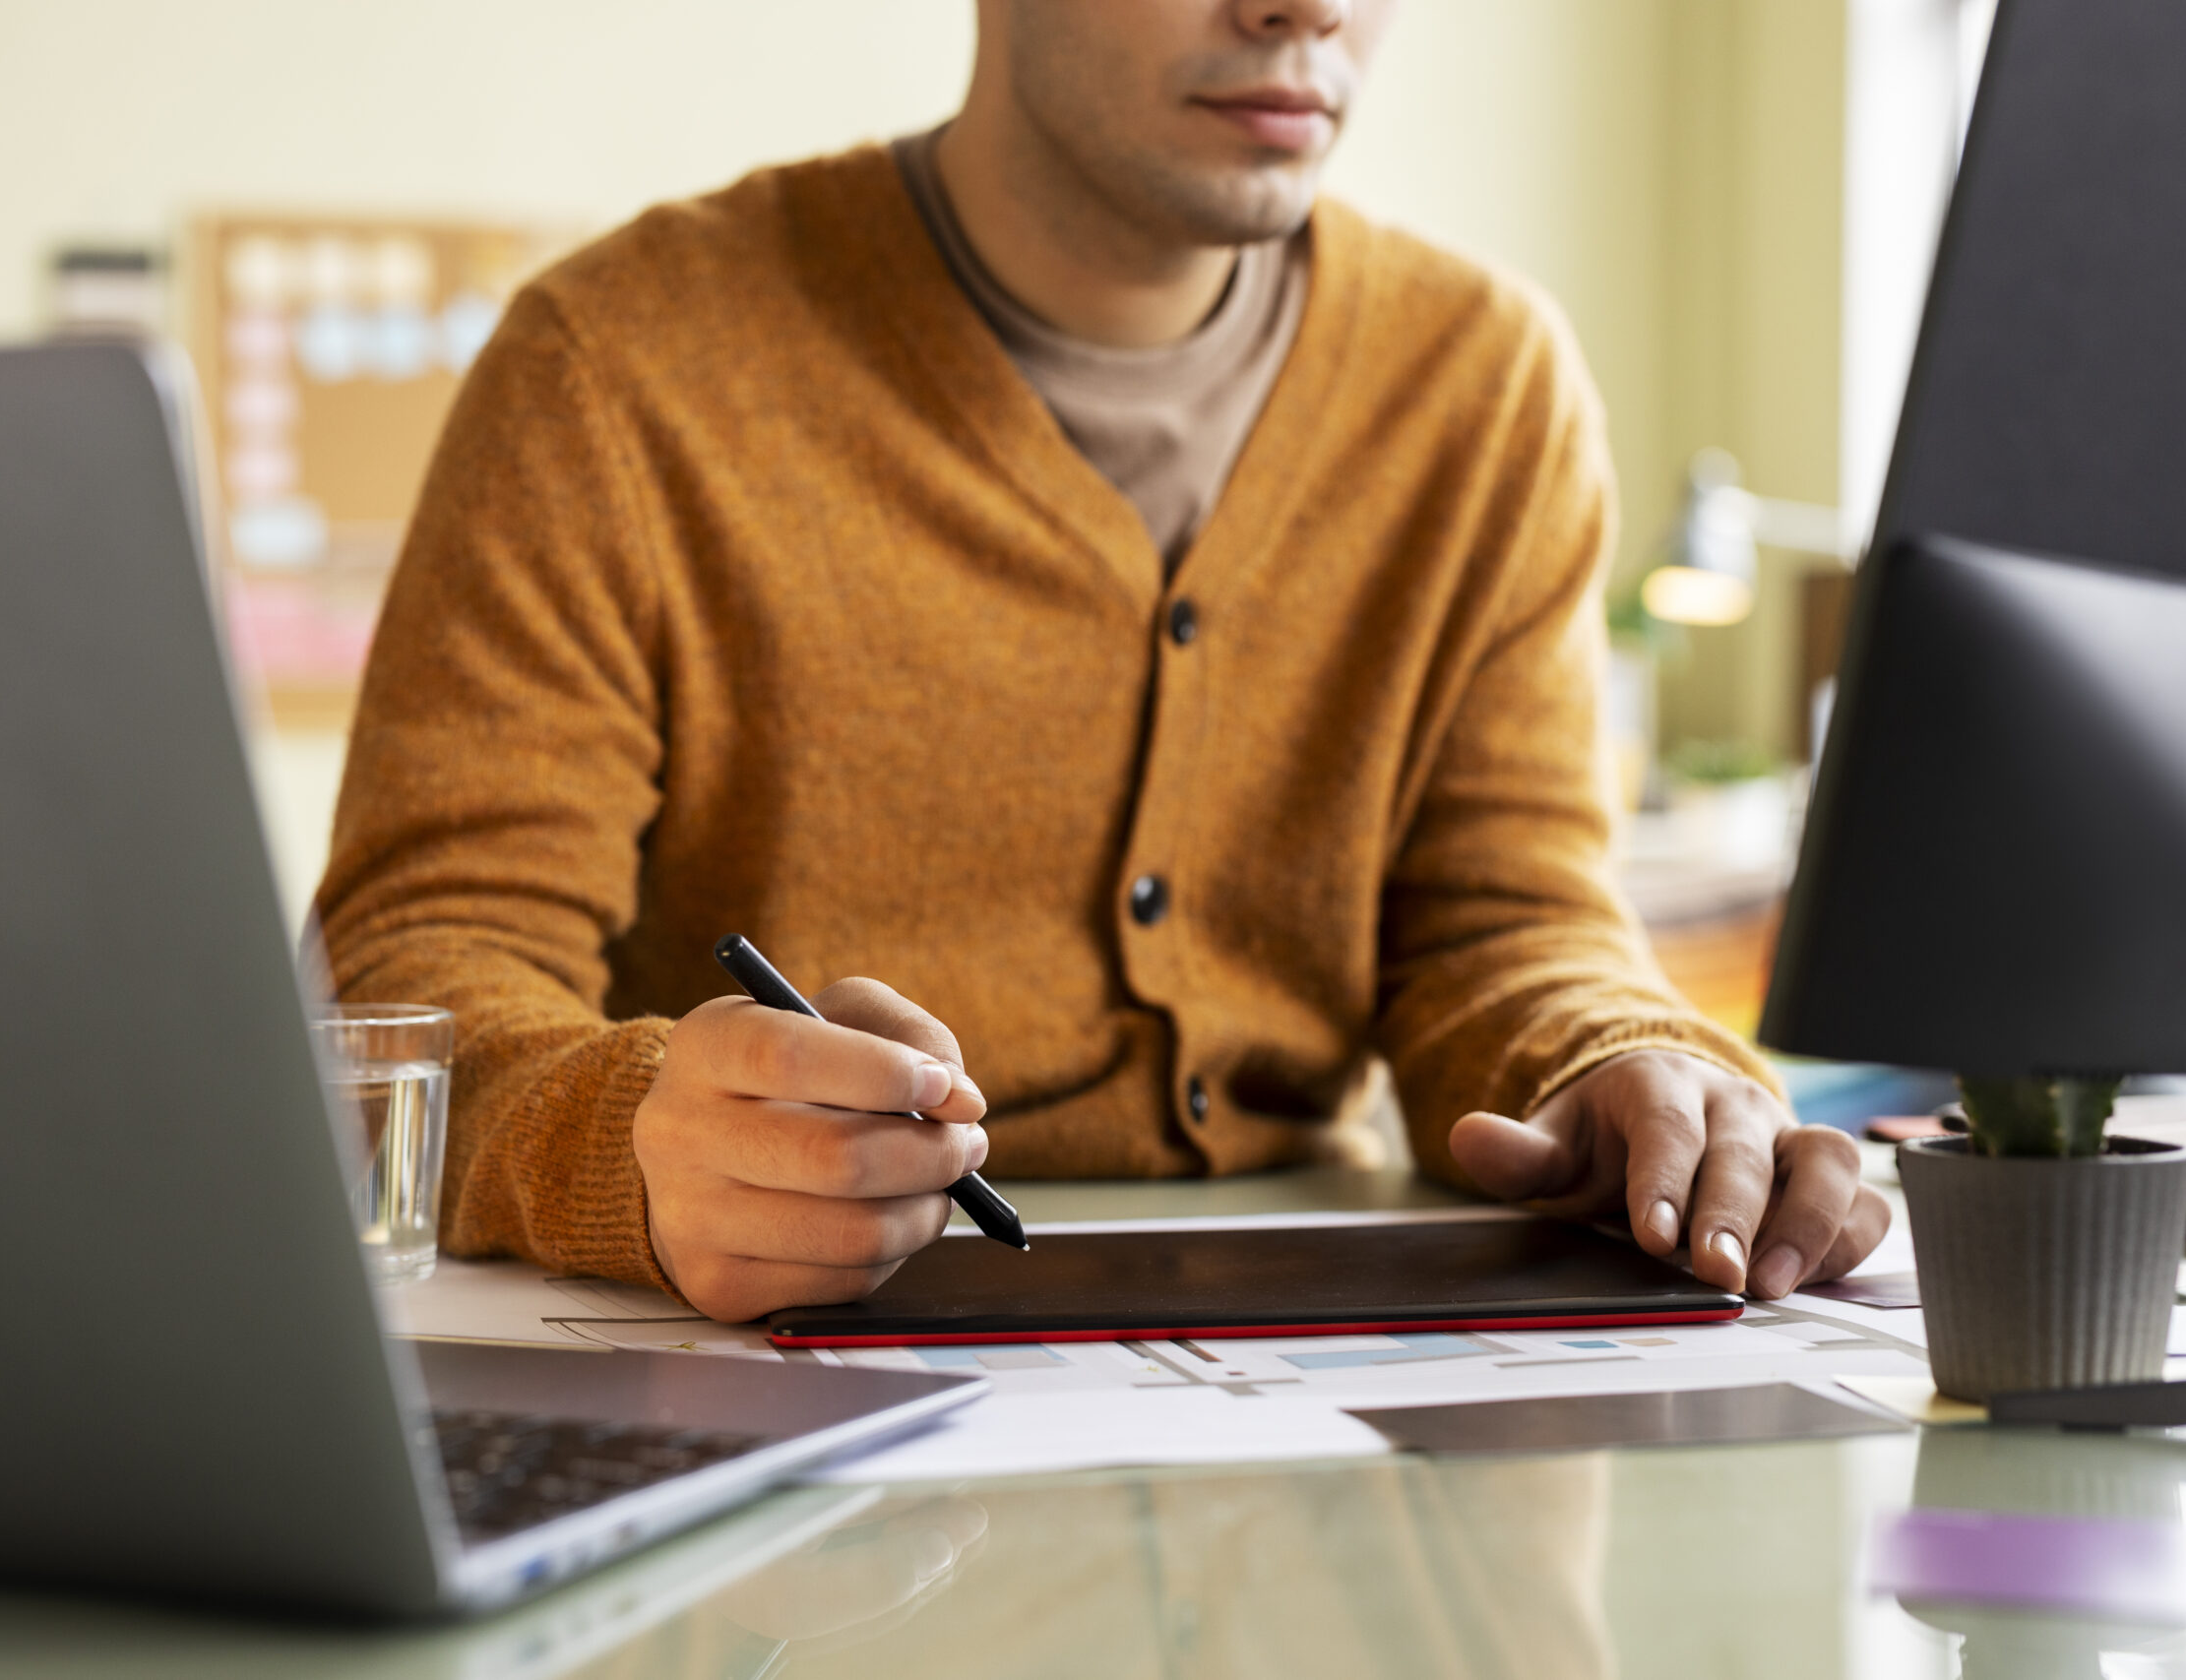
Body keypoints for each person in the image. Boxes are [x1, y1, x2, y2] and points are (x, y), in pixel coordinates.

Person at [315, 0, 1889, 1324]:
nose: (1306, 8)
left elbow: (1507, 923)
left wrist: (1623, 1065)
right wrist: (627, 1143)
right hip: (767, 1393)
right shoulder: (614, 370)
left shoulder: (1485, 390)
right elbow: (408, 980)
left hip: (1311, 1389)